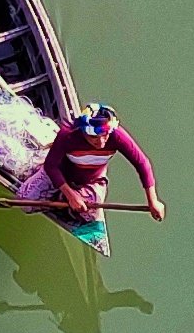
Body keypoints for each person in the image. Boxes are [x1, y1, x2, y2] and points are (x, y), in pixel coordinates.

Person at [16, 103, 165, 240]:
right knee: (25, 203)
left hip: (92, 180)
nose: (101, 142)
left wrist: (153, 201)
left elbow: (142, 163)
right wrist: (70, 195)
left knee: (90, 215)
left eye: (105, 135)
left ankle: (63, 201)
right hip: (61, 175)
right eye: (94, 137)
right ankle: (63, 197)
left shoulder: (117, 136)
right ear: (83, 131)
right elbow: (51, 166)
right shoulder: (68, 135)